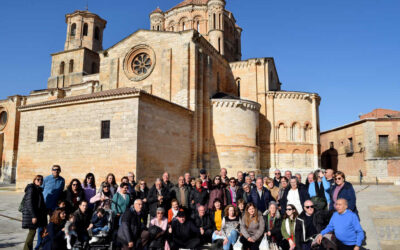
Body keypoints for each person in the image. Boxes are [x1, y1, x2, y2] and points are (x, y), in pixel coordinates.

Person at [38, 165, 65, 250]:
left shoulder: (62, 180)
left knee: (53, 225)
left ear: (60, 171)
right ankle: (40, 244)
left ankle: (51, 241)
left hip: (54, 207)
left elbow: (61, 192)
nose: (56, 171)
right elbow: (40, 190)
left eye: (57, 170)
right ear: (51, 170)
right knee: (41, 226)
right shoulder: (46, 179)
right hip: (44, 206)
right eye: (54, 169)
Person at [22, 175, 47, 250]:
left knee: (32, 233)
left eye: (41, 180)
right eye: (38, 179)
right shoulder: (31, 188)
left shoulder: (38, 189)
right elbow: (29, 203)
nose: (40, 181)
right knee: (32, 233)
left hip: (35, 214)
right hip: (31, 215)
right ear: (34, 180)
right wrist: (33, 216)